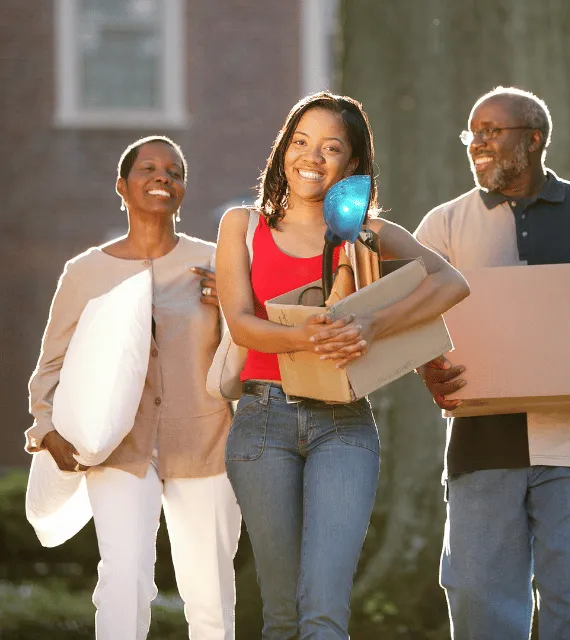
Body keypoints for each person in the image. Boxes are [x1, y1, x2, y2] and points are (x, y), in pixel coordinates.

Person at [213, 91, 469, 640]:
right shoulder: (244, 225)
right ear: (284, 150)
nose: (312, 156)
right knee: (281, 614)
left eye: (331, 147)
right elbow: (239, 324)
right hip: (262, 422)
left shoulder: (367, 235)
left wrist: (376, 325)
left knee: (325, 611)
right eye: (301, 142)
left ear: (351, 163)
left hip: (345, 425)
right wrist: (308, 332)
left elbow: (453, 282)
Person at [415, 86, 570, 640]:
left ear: (534, 139)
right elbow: (404, 316)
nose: (479, 144)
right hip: (483, 442)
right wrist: (428, 367)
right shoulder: (443, 226)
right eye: (474, 134)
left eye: (493, 132)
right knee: (478, 603)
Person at [27, 136, 242, 639]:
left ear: (184, 189)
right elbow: (51, 365)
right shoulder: (85, 272)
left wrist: (232, 306)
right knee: (123, 584)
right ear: (122, 187)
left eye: (175, 170)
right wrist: (45, 429)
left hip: (206, 443)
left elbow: (247, 353)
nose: (163, 176)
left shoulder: (218, 263)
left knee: (210, 591)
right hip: (119, 449)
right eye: (148, 168)